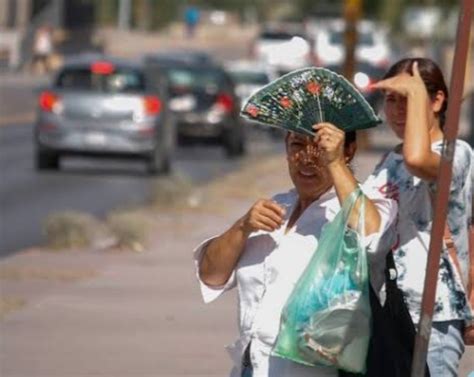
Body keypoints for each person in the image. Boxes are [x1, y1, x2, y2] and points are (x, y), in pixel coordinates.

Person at [193, 124, 397, 376]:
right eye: (298, 145)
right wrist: (242, 227)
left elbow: (372, 236)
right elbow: (211, 275)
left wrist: (334, 163)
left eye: (320, 147)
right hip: (251, 367)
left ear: (348, 151)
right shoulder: (277, 207)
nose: (307, 159)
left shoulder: (364, 206)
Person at [366, 57, 473, 377]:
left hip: (432, 317)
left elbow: (418, 159)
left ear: (437, 100)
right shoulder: (388, 160)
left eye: (408, 99)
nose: (397, 110)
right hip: (388, 312)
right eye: (391, 100)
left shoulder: (456, 152)